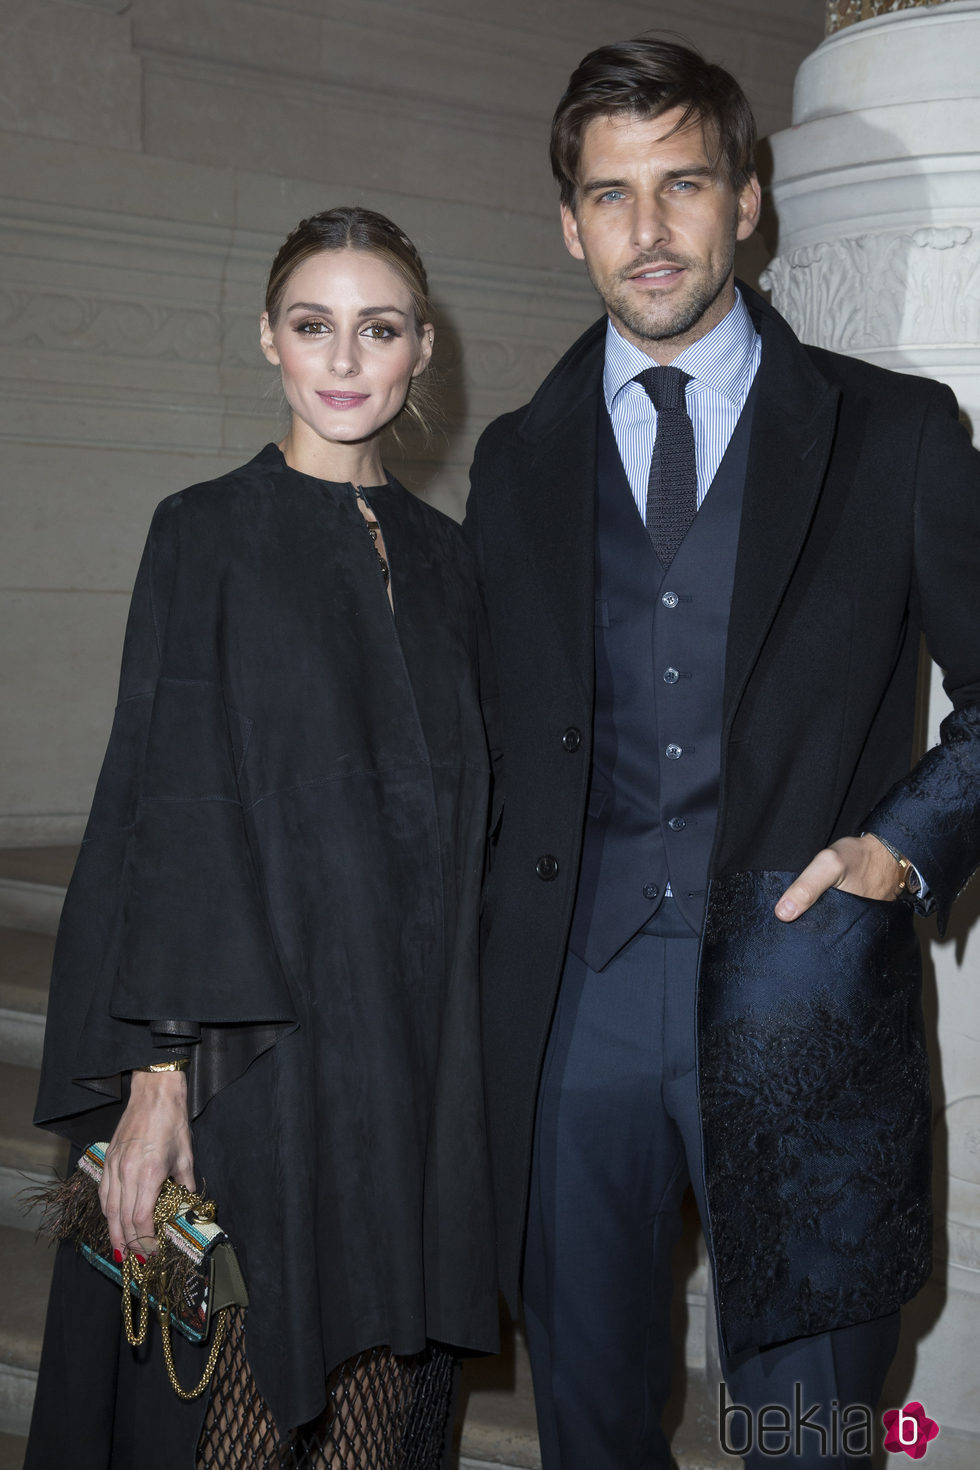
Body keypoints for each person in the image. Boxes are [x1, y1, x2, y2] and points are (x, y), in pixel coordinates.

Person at [464, 37, 980, 1470]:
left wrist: (900, 843)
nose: (649, 229)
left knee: (810, 1433)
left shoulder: (899, 434)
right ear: (570, 224)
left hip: (803, 997)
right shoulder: (515, 458)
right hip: (577, 1006)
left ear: (746, 199)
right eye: (612, 195)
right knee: (593, 1427)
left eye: (683, 182)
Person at [26, 205, 498, 1470]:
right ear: (268, 343)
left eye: (377, 328)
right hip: (257, 1057)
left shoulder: (458, 567)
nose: (343, 359)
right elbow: (166, 804)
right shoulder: (205, 531)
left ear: (420, 353)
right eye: (313, 325)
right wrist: (158, 1079)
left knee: (378, 1408)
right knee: (238, 1400)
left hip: (415, 1060)